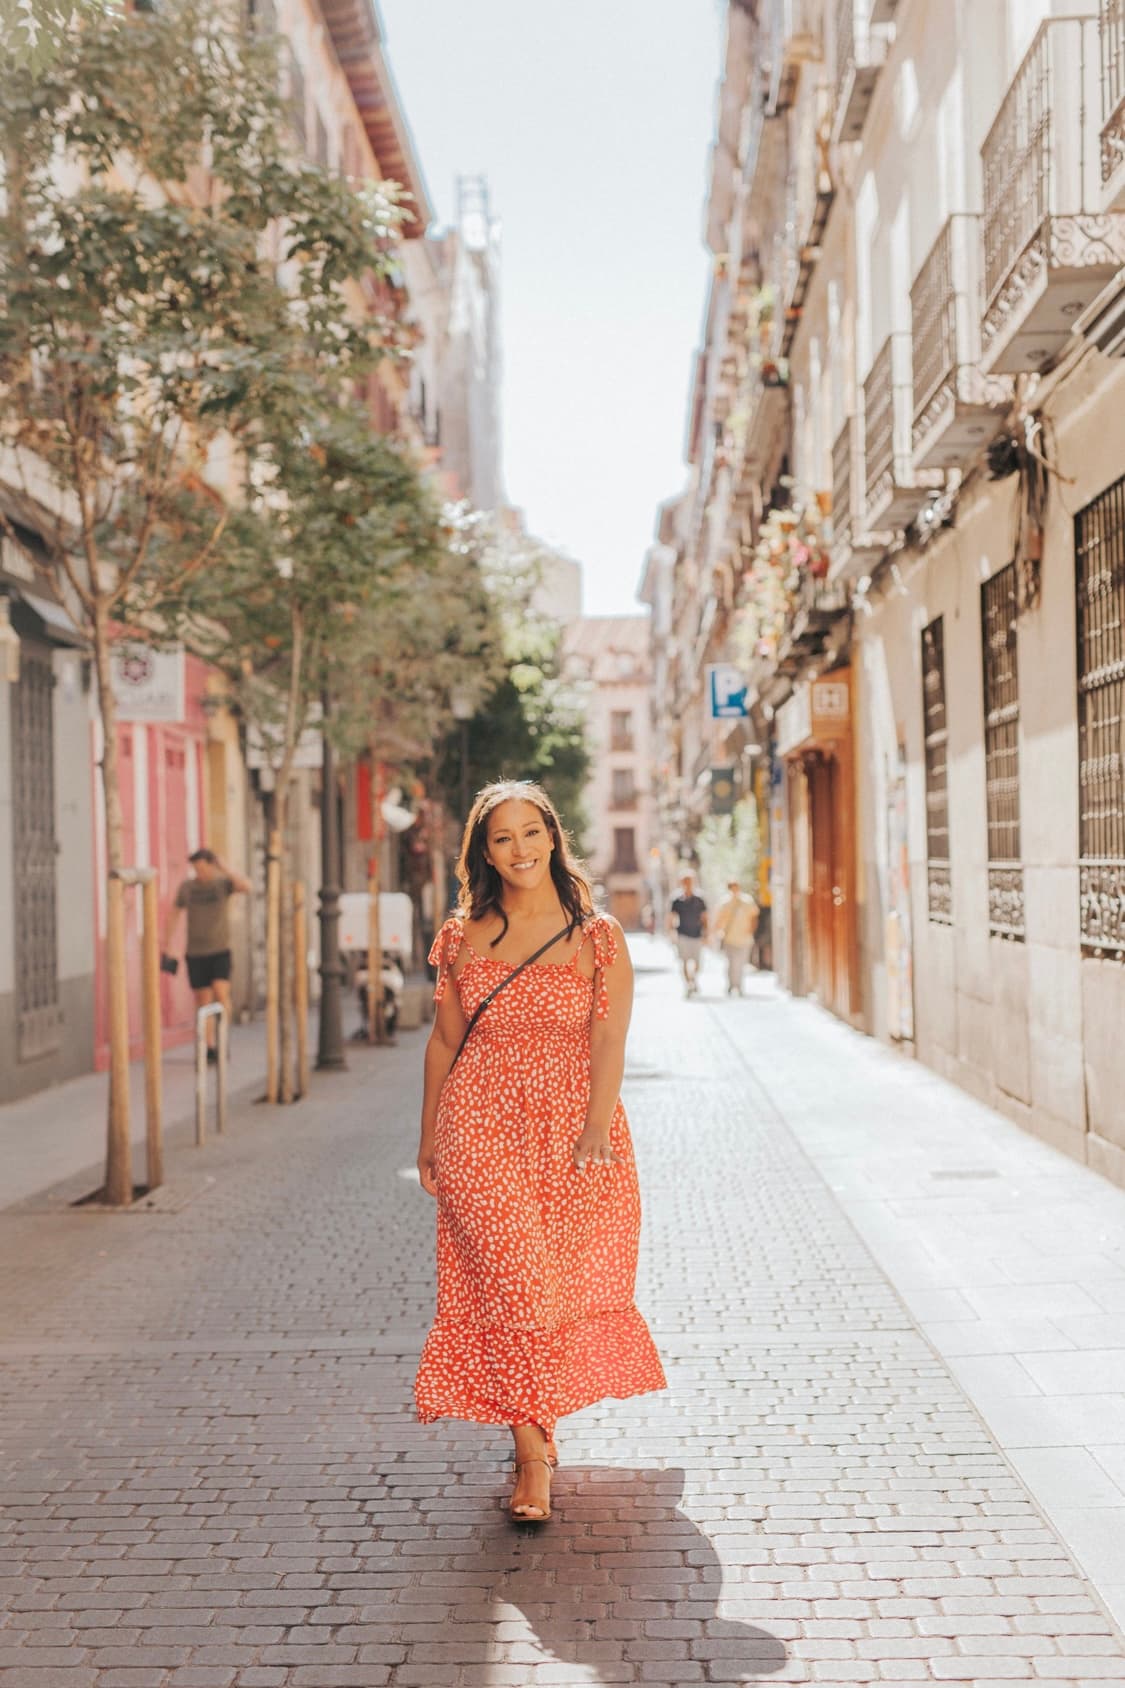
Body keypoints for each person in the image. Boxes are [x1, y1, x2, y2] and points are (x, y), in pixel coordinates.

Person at [415, 779, 666, 1523]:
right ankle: (530, 1455)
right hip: (478, 1125)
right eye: (503, 838)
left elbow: (609, 1038)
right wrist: (428, 1136)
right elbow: (444, 1042)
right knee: (513, 1281)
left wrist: (596, 1125)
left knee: (549, 1290)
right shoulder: (462, 937)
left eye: (531, 832)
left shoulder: (597, 936)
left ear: (553, 838)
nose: (519, 848)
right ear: (485, 853)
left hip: (570, 1129)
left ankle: (538, 1419)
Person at [161, 848, 251, 1061]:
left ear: (212, 865)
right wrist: (168, 945)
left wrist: (224, 867)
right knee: (203, 1001)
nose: (199, 873)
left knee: (221, 992)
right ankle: (208, 1046)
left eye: (203, 868)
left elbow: (246, 886)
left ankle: (223, 1037)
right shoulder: (188, 888)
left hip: (219, 950)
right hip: (196, 952)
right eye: (196, 869)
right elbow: (174, 914)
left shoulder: (222, 884)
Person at [713, 879, 759, 996]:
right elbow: (719, 920)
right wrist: (717, 933)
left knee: (741, 964)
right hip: (729, 938)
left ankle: (739, 986)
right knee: (731, 964)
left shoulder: (747, 901)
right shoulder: (724, 902)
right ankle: (731, 984)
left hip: (744, 938)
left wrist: (751, 931)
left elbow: (754, 917)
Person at [668, 872, 708, 997]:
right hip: (682, 934)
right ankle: (688, 985)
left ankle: (693, 978)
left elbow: (704, 917)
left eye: (689, 881)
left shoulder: (699, 899)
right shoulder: (676, 900)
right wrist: (671, 933)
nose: (687, 884)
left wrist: (706, 934)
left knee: (697, 963)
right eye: (685, 881)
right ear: (681, 883)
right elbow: (671, 917)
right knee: (684, 961)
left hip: (697, 934)